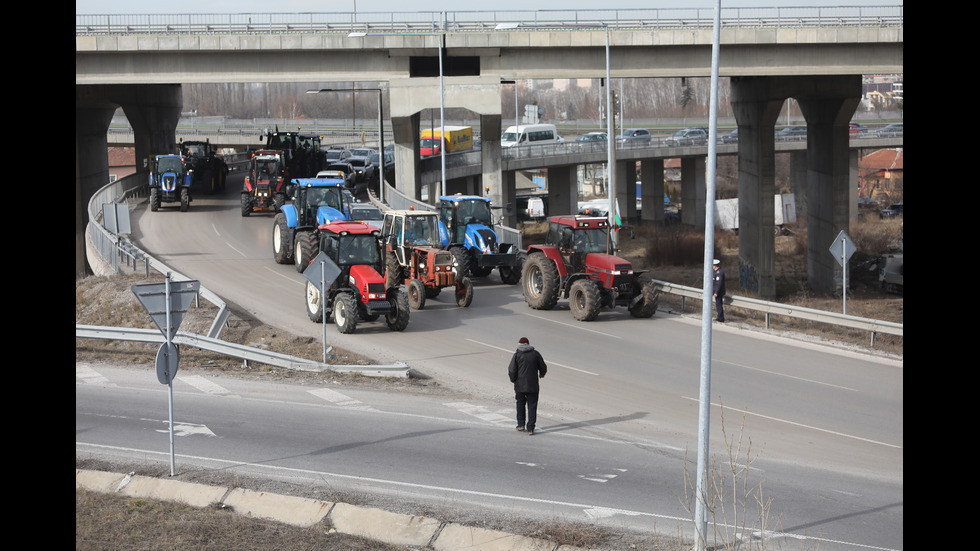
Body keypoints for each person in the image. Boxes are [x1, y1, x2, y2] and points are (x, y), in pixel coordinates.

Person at [508, 336, 547, 436]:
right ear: (528, 344)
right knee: (532, 406)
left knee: (520, 404)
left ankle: (521, 424)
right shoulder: (535, 354)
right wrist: (542, 374)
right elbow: (543, 366)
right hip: (533, 385)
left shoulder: (517, 355)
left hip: (520, 386)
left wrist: (513, 380)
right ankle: (530, 429)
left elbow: (512, 370)